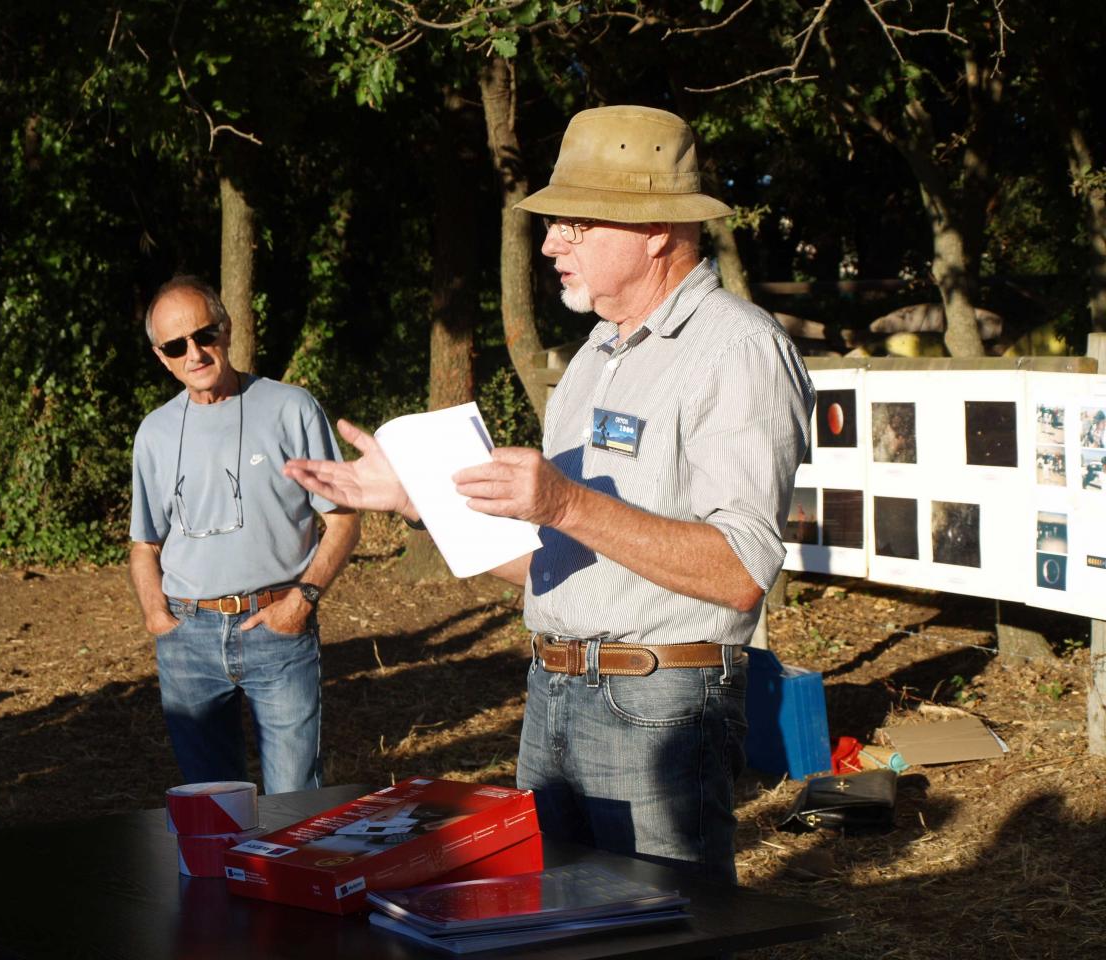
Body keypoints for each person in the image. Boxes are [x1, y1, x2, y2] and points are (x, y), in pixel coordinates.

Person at [284, 106, 813, 883]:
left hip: (657, 706)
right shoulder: (598, 352)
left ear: (656, 231)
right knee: (558, 926)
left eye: (575, 223)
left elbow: (739, 571)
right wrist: (419, 503)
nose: (551, 241)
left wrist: (565, 502)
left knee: (655, 936)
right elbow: (549, 566)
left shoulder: (737, 349)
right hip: (553, 689)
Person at [130, 276, 360, 793]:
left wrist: (301, 602)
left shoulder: (290, 408)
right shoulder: (154, 433)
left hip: (277, 627)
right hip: (187, 637)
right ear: (160, 356)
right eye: (175, 345)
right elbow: (145, 542)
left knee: (294, 799)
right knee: (210, 810)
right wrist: (157, 615)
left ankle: (292, 878)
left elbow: (343, 518)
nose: (194, 353)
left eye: (204, 335)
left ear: (227, 329)